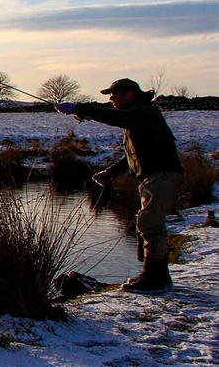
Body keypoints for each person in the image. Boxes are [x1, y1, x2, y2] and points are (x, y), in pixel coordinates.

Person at [57, 78, 183, 292]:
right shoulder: (137, 118)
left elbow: (114, 117)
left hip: (162, 177)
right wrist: (111, 172)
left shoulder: (145, 113)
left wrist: (79, 108)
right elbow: (134, 155)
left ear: (129, 95)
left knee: (149, 223)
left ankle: (154, 278)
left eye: (114, 95)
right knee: (150, 224)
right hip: (154, 178)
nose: (111, 99)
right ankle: (157, 275)